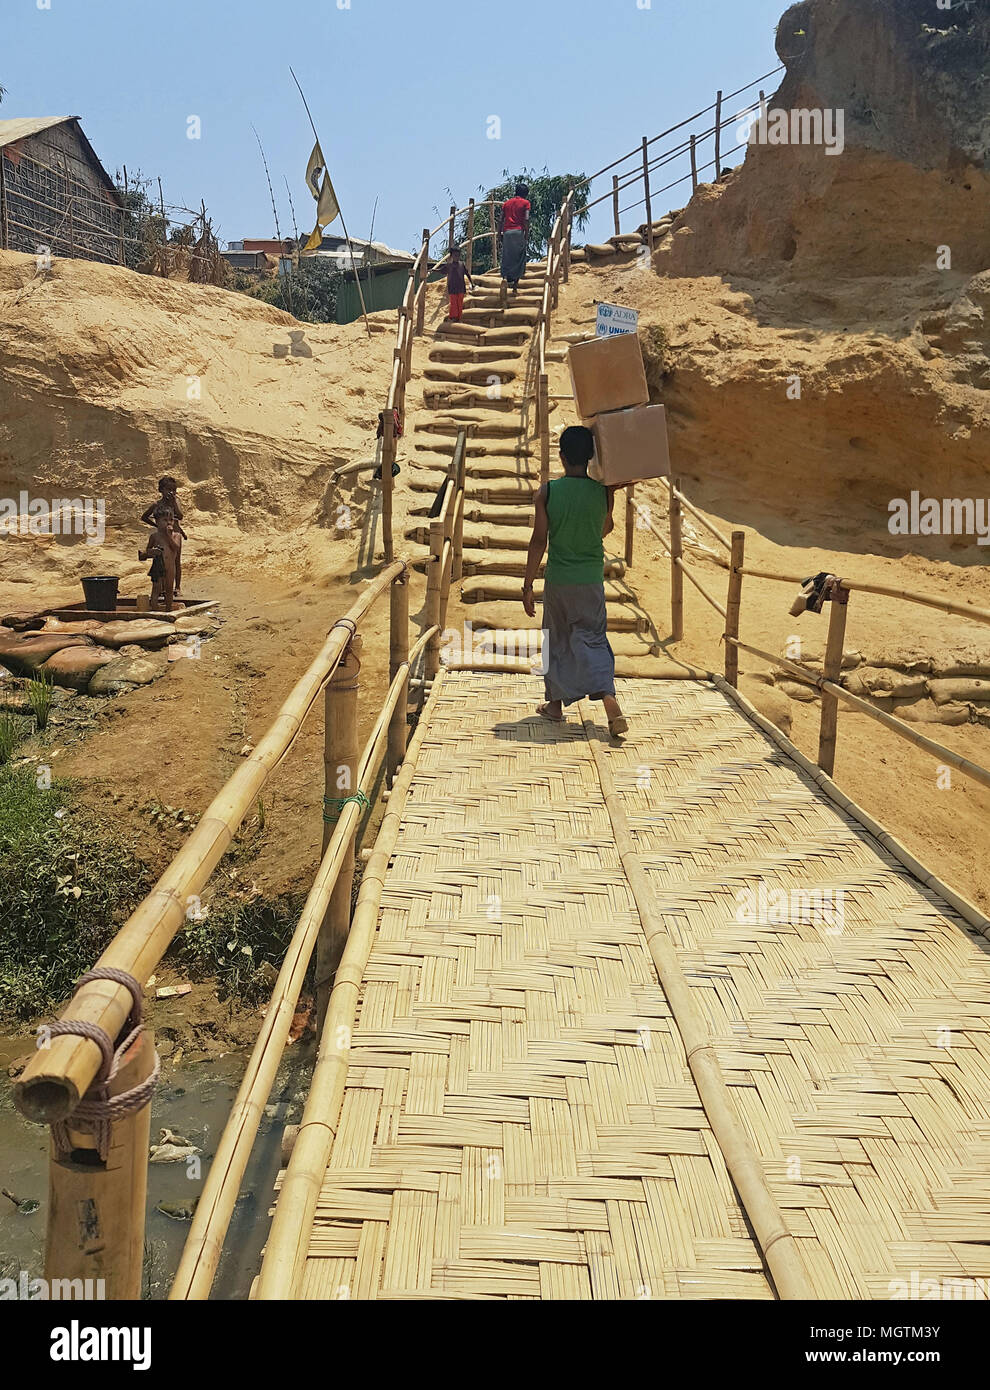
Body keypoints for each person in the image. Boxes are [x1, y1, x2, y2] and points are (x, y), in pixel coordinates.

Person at [522, 425, 629, 736]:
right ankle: (607, 695)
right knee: (592, 638)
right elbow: (604, 529)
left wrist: (527, 586)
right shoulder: (604, 492)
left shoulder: (547, 492)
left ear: (562, 456)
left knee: (556, 640)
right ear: (591, 457)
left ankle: (555, 706)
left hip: (559, 581)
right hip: (591, 580)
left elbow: (538, 540)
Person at [142, 477, 187, 597]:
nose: (171, 492)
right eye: (168, 489)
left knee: (176, 560)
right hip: (162, 535)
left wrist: (173, 504)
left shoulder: (175, 502)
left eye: (174, 490)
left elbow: (180, 516)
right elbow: (144, 517)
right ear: (161, 490)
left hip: (175, 534)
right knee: (161, 560)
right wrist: (156, 525)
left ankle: (177, 587)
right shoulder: (157, 504)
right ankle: (162, 588)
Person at [498, 182, 531, 290]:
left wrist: (499, 233)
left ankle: (505, 278)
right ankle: (515, 284)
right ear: (525, 194)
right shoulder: (526, 203)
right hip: (518, 231)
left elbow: (500, 219)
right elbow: (526, 219)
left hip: (507, 232)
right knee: (520, 256)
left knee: (507, 256)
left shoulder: (506, 203)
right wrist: (527, 232)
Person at [444, 246, 473, 322]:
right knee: (454, 303)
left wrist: (472, 283)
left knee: (460, 304)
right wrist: (434, 269)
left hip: (461, 288)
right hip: (452, 288)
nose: (457, 257)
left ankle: (459, 318)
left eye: (458, 255)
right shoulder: (449, 266)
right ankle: (453, 317)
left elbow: (467, 274)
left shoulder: (461, 264)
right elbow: (442, 270)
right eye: (455, 255)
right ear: (451, 256)